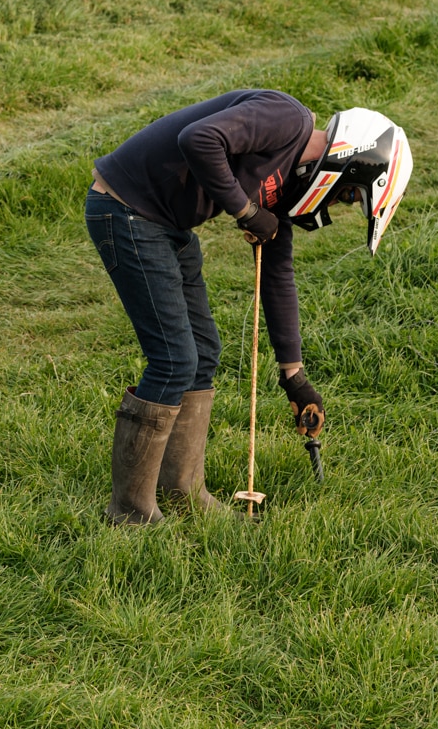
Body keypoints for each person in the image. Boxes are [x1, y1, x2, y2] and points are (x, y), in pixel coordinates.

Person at [87, 92, 413, 524]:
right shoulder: (287, 119)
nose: (338, 204)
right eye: (351, 195)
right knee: (173, 361)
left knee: (204, 352)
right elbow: (199, 139)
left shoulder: (291, 185)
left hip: (166, 224)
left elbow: (278, 275)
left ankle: (183, 492)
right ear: (347, 162)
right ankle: (129, 514)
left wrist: (294, 376)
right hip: (126, 211)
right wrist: (246, 210)